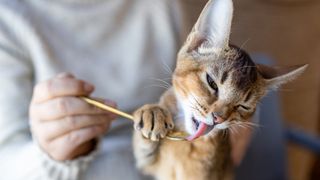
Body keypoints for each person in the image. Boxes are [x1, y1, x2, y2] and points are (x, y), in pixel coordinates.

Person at [0, 1, 279, 180]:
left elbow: (207, 67)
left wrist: (241, 111)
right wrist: (50, 153)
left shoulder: (161, 5)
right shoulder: (9, 21)